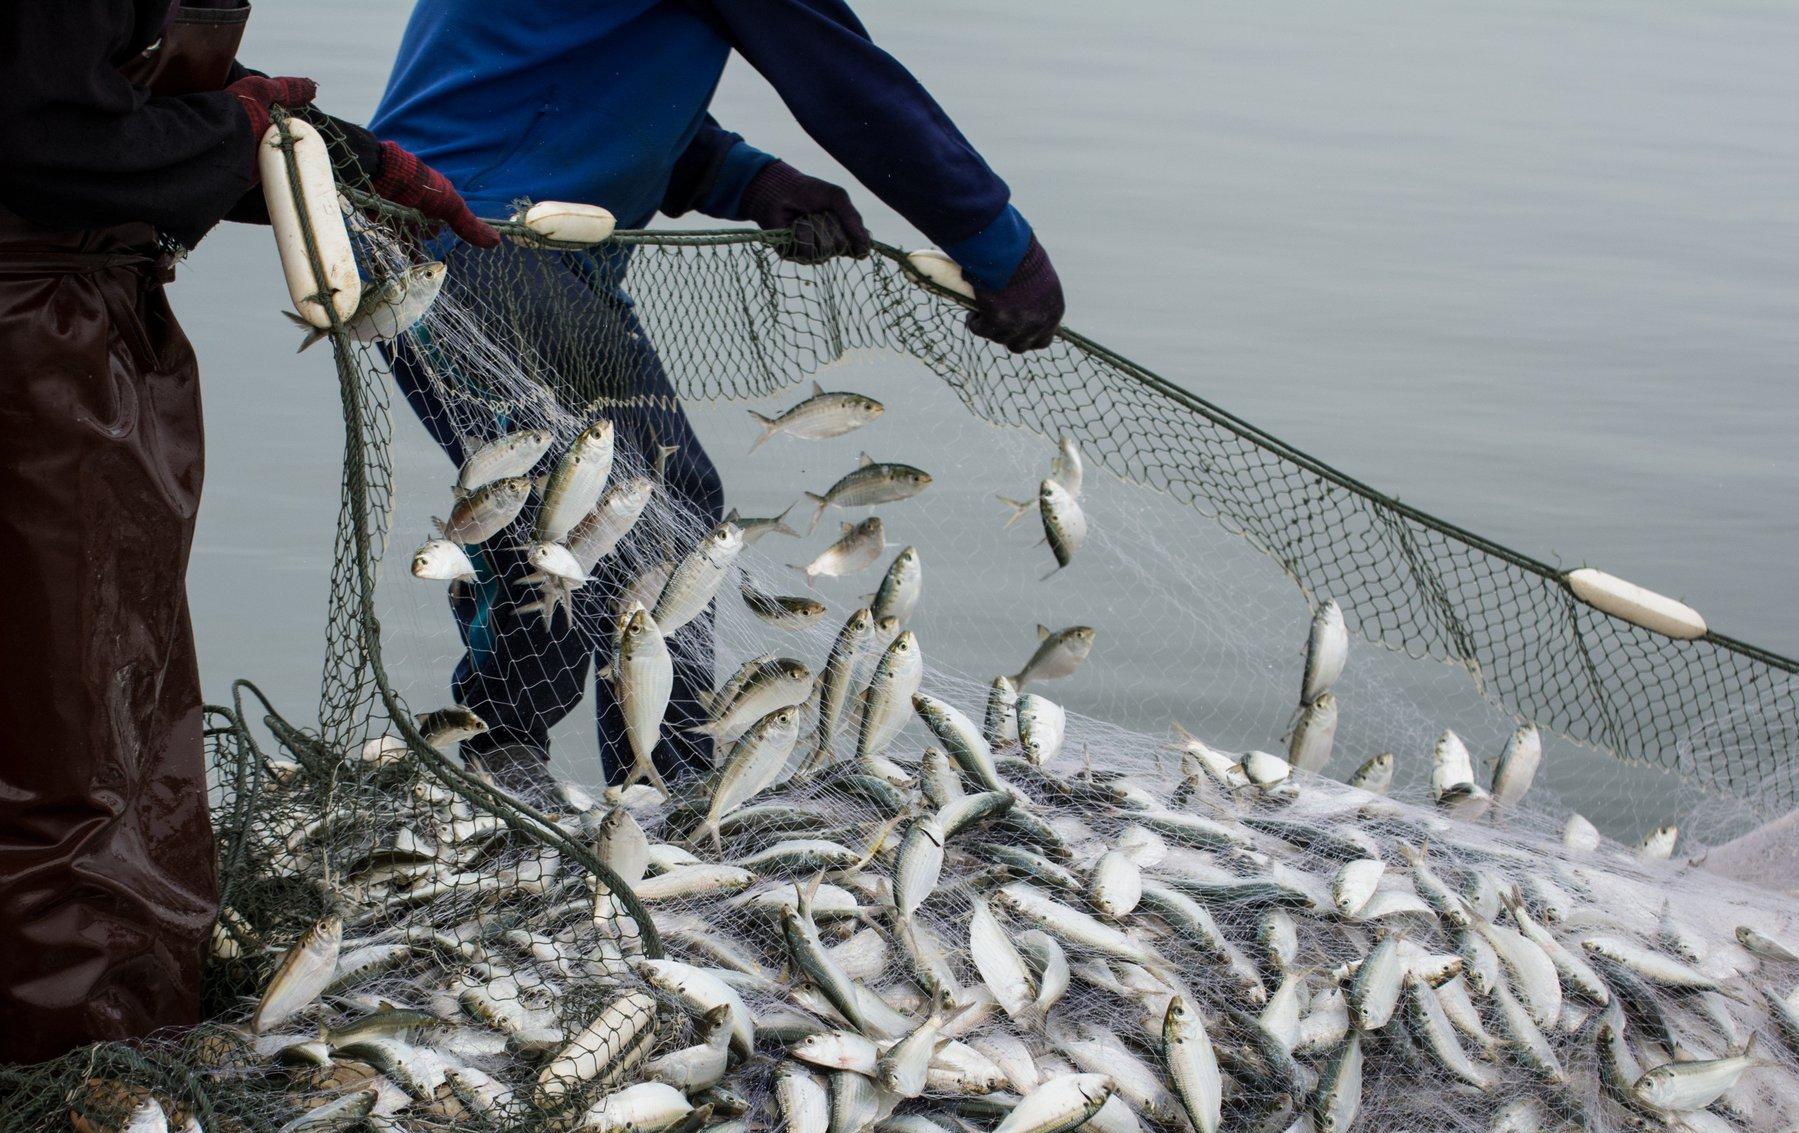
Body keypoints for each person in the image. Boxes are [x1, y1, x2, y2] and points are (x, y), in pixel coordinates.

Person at [372, 0, 1067, 799]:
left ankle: (640, 784)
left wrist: (748, 178)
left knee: (647, 504)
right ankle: (542, 772)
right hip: (473, 243)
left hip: (491, 234)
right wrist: (1000, 245)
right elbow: (847, 84)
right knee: (596, 509)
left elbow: (579, 72)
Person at [0, 0, 494, 1064]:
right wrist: (241, 133)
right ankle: (81, 1078)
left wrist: (345, 160)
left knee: (112, 709)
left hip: (76, 323)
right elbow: (43, 141)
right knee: (66, 746)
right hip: (27, 351)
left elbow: (103, 89)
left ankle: (118, 1030)